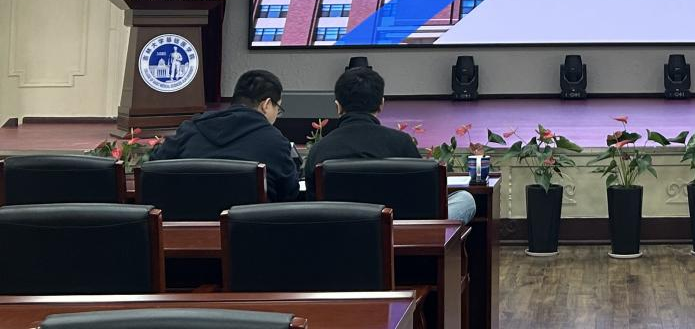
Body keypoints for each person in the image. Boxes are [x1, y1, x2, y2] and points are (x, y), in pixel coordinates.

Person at [303, 66, 476, 224]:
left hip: (341, 238)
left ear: (338, 107)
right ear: (381, 104)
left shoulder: (319, 150)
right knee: (465, 200)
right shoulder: (402, 143)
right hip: (401, 236)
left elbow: (314, 207)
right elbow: (428, 197)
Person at [150, 69, 299, 201]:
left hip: (183, 222)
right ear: (266, 105)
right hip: (249, 224)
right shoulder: (275, 142)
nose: (277, 115)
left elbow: (153, 169)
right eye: (277, 109)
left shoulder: (190, 129)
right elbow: (289, 195)